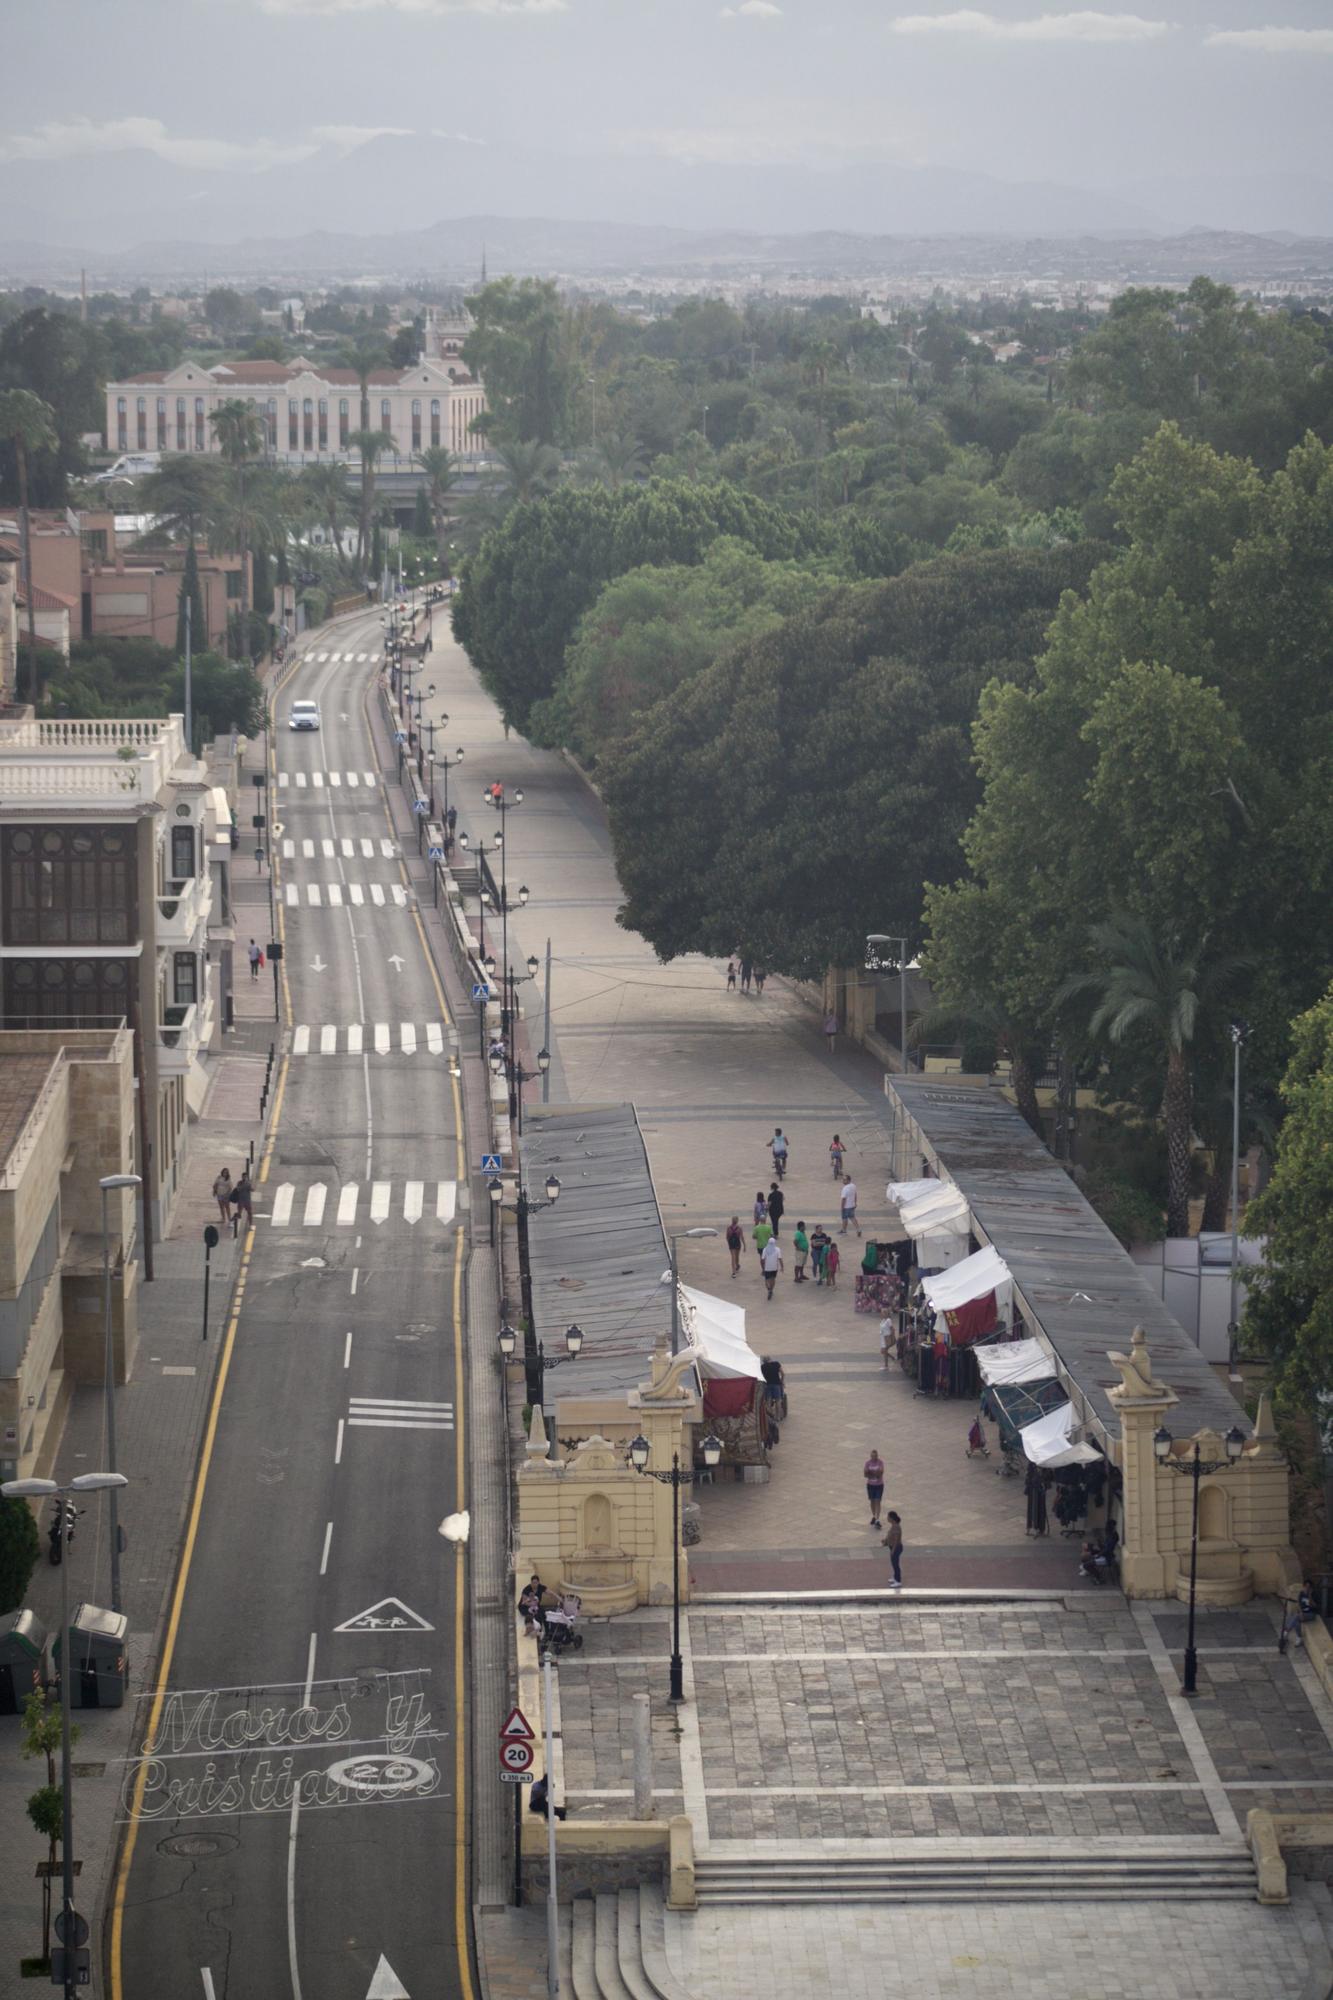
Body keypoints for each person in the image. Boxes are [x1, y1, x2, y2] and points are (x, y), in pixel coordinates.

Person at [863, 1449, 885, 1529]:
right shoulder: (867, 1463)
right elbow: (865, 1474)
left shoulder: (880, 1462)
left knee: (878, 1501)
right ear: (870, 1456)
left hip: (879, 1485)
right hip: (870, 1485)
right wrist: (873, 1473)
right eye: (872, 1456)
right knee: (872, 1501)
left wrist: (870, 1472)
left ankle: (877, 1519)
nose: (874, 1458)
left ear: (877, 1456)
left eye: (875, 1456)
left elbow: (880, 1473)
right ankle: (874, 1516)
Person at [882, 1510, 904, 1587]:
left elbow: (896, 1540)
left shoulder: (896, 1527)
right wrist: (885, 1542)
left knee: (895, 1564)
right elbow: (890, 1537)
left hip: (896, 1548)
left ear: (892, 1518)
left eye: (888, 1517)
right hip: (893, 1547)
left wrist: (893, 1550)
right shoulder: (893, 1526)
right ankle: (895, 1577)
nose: (887, 1518)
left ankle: (898, 1581)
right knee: (894, 1564)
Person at [759, 1233, 783, 1300]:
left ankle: (769, 1289)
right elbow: (780, 1259)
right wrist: (782, 1267)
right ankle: (771, 1289)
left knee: (767, 1280)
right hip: (774, 1268)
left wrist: (763, 1268)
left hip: (767, 1268)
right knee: (773, 1279)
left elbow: (762, 1259)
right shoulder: (777, 1249)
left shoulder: (765, 1249)